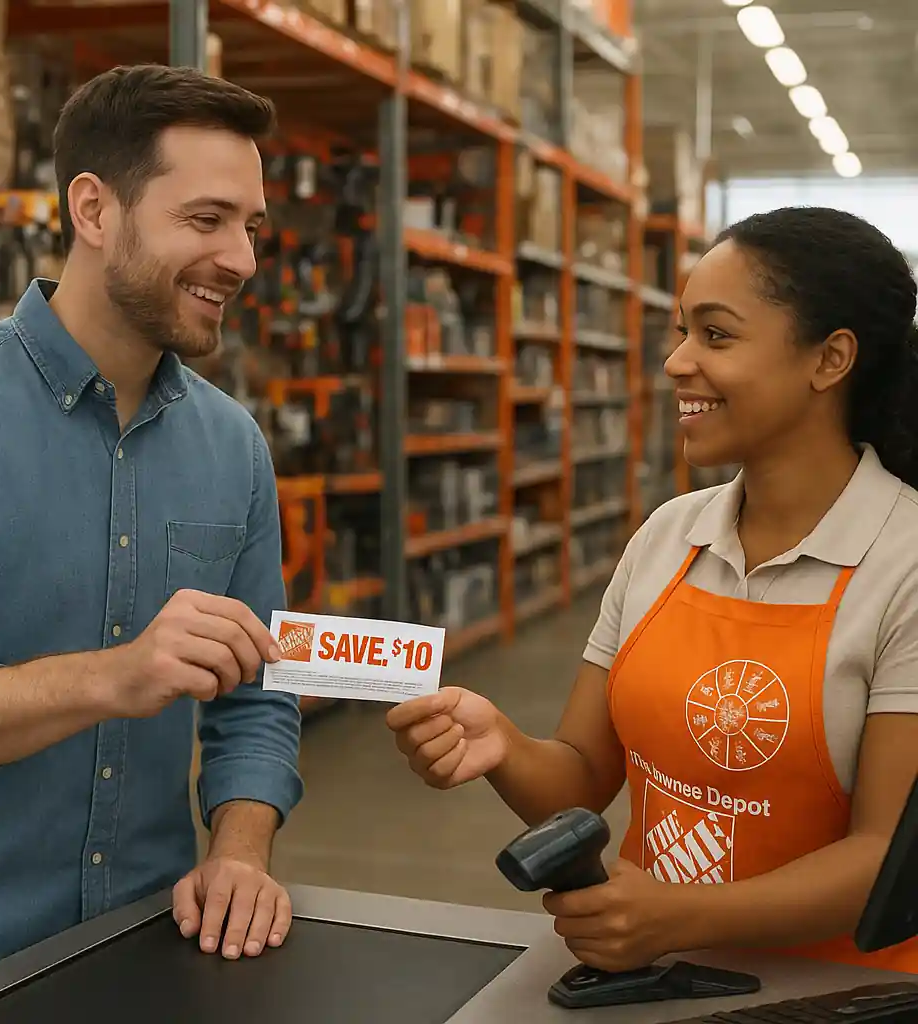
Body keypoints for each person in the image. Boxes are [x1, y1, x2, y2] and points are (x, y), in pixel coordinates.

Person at [388, 206, 918, 974]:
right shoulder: (670, 536)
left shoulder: (902, 565)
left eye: (716, 334)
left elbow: (887, 859)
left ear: (829, 359)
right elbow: (579, 777)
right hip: (658, 982)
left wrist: (678, 915)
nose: (675, 362)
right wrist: (500, 744)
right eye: (681, 331)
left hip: (841, 993)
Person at [0, 65, 302, 1006]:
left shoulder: (232, 446)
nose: (240, 259)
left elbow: (259, 694)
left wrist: (239, 853)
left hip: (146, 949)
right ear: (93, 209)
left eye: (251, 228)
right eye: (206, 221)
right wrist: (115, 675)